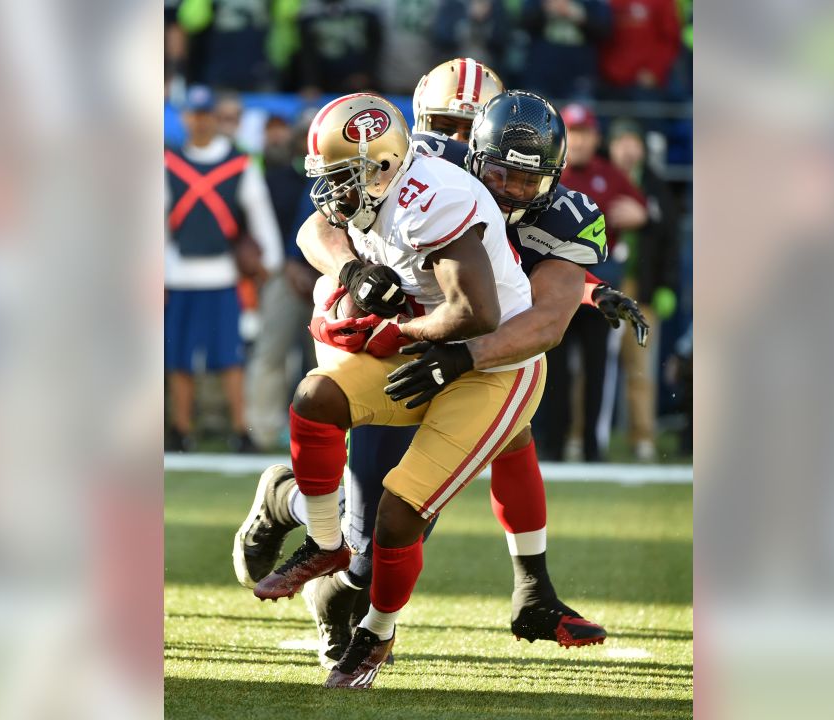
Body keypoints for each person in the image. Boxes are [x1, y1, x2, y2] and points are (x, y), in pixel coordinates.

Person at [235, 82, 648, 673]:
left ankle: (515, 593)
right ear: (471, 151)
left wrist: (587, 291)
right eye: (500, 174)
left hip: (472, 351)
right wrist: (352, 274)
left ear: (555, 174)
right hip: (399, 338)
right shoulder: (421, 166)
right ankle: (293, 509)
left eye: (528, 181)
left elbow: (536, 312)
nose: (511, 191)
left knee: (425, 499)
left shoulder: (561, 214)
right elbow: (317, 228)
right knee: (364, 528)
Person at [249, 92, 547, 690]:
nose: (333, 193)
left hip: (492, 366)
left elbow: (477, 312)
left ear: (381, 167)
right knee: (316, 399)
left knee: (398, 513)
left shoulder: (431, 200)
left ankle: (377, 634)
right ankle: (325, 545)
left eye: (341, 180)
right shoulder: (379, 182)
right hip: (426, 344)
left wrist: (392, 331)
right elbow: (316, 230)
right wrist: (353, 273)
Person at [164, 85, 283, 453]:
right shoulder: (168, 164)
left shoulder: (239, 164)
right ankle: (180, 429)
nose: (198, 122)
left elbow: (259, 213)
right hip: (179, 273)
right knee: (177, 359)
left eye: (205, 115)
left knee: (229, 357)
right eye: (193, 115)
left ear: (216, 119)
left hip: (223, 274)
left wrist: (270, 262)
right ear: (185, 118)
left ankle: (240, 429)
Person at [533, 102, 648, 462]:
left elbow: (645, 209)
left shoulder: (610, 174)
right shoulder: (550, 173)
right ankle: (552, 444)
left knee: (599, 369)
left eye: (584, 133)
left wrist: (639, 214)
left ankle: (593, 448)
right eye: (573, 133)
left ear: (595, 137)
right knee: (553, 367)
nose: (579, 141)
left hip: (600, 283)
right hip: (556, 284)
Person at [243, 114, 319, 450]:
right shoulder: (275, 179)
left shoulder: (341, 179)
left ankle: (322, 429)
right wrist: (286, 265)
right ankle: (260, 429)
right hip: (283, 277)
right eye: (303, 133)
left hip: (329, 277)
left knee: (323, 362)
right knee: (270, 352)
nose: (307, 141)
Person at [608, 119, 680, 461]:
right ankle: (581, 436)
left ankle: (643, 438)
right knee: (590, 368)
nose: (628, 149)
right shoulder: (599, 178)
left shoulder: (655, 186)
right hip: (603, 285)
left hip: (642, 286)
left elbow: (670, 239)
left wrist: (667, 285)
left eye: (633, 141)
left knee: (641, 366)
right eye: (622, 141)